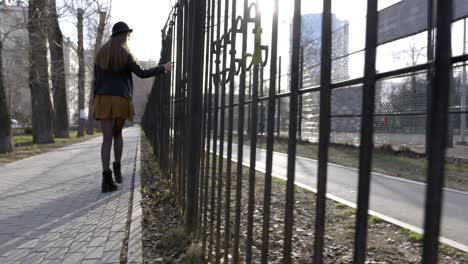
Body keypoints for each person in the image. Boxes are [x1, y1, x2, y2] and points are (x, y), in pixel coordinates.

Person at [91, 21, 172, 193]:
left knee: (106, 140)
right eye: (127, 35)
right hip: (120, 99)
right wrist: (163, 68)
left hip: (103, 99)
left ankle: (106, 179)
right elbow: (142, 73)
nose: (128, 37)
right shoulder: (124, 54)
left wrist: (94, 102)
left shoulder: (100, 54)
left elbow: (95, 80)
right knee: (117, 134)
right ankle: (118, 170)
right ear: (123, 35)